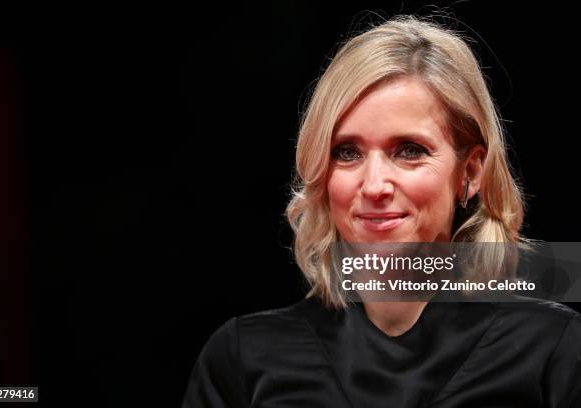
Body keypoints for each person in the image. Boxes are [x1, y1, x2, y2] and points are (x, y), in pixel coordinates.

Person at [182, 15, 581, 407]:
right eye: (347, 152)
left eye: (409, 151)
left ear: (471, 172)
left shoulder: (554, 349)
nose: (374, 186)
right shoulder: (244, 358)